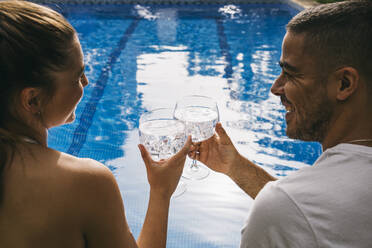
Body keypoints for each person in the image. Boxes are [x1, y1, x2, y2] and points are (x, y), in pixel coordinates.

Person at [0, 1, 191, 247]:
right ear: (32, 99)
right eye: (78, 76)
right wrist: (161, 191)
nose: (88, 82)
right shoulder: (83, 182)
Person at [190, 0, 372, 247]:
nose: (275, 87)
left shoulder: (283, 209)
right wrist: (235, 167)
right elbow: (315, 216)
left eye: (291, 73)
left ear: (344, 84)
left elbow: (298, 212)